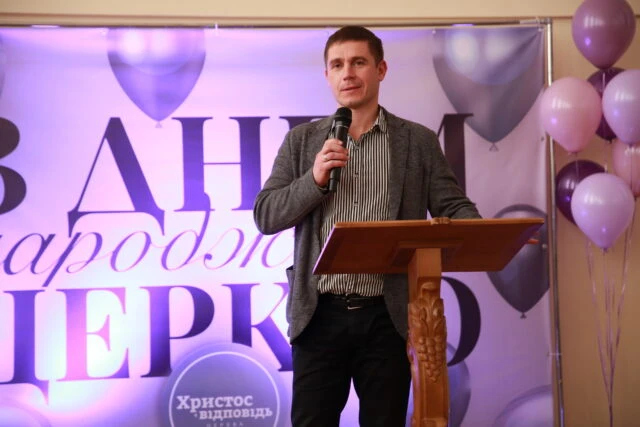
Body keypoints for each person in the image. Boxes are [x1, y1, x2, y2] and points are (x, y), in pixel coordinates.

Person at [253, 25, 481, 427]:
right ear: (327, 75)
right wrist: (314, 180)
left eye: (358, 62)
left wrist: (485, 234)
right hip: (319, 314)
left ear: (381, 70)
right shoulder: (301, 142)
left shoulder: (417, 141)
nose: (348, 73)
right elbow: (266, 214)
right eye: (337, 65)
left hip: (386, 317)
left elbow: (453, 205)